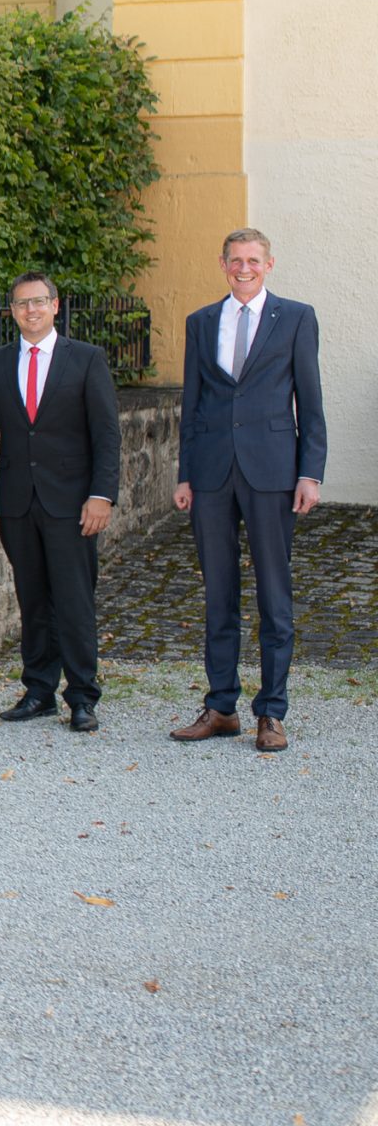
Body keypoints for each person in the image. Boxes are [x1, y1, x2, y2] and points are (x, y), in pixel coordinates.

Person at [171, 228, 325, 753]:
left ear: (269, 264)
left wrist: (310, 473)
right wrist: (185, 474)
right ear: (223, 264)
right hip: (211, 474)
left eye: (253, 260)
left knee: (274, 595)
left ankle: (271, 712)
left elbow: (310, 400)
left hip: (273, 471)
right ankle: (221, 707)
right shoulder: (201, 322)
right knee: (218, 593)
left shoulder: (296, 318)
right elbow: (192, 404)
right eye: (235, 260)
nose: (244, 268)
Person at [0, 273, 120, 734]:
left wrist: (101, 495)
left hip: (72, 504)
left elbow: (106, 434)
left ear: (55, 305)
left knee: (73, 601)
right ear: (12, 311)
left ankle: (82, 696)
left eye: (38, 302)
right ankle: (39, 690)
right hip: (17, 502)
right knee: (32, 600)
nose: (30, 310)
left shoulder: (86, 359)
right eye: (21, 303)